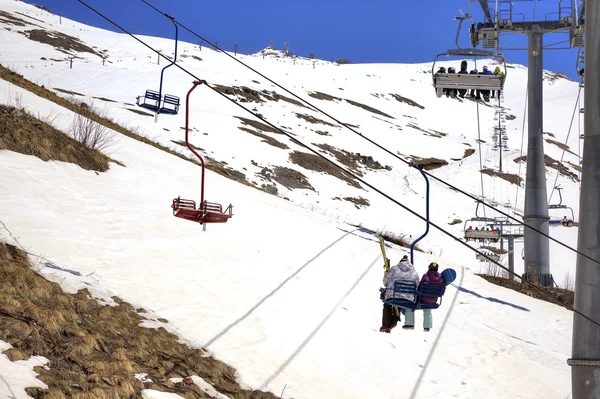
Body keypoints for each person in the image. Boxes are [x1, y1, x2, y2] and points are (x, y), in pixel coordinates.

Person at [380, 255, 419, 333]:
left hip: (393, 295)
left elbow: (386, 280)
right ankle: (394, 321)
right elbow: (417, 284)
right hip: (408, 298)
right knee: (401, 303)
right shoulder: (414, 271)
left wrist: (387, 285)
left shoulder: (394, 268)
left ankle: (386, 325)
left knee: (387, 305)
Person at [407, 262, 446, 332]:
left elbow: (420, 287)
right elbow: (442, 292)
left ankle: (410, 323)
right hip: (433, 300)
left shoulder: (426, 276)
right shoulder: (441, 279)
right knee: (428, 309)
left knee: (411, 304)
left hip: (423, 299)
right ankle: (427, 327)